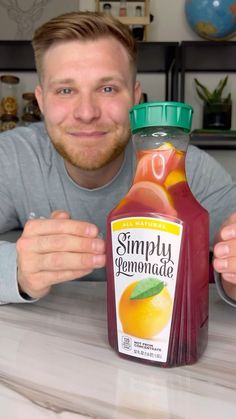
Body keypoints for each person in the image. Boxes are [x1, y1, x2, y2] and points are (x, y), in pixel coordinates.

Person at [0, 11, 235, 307]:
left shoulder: (188, 169)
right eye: (65, 90)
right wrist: (17, 270)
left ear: (135, 98)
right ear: (42, 101)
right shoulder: (11, 157)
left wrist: (232, 280)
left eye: (107, 88)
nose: (87, 113)